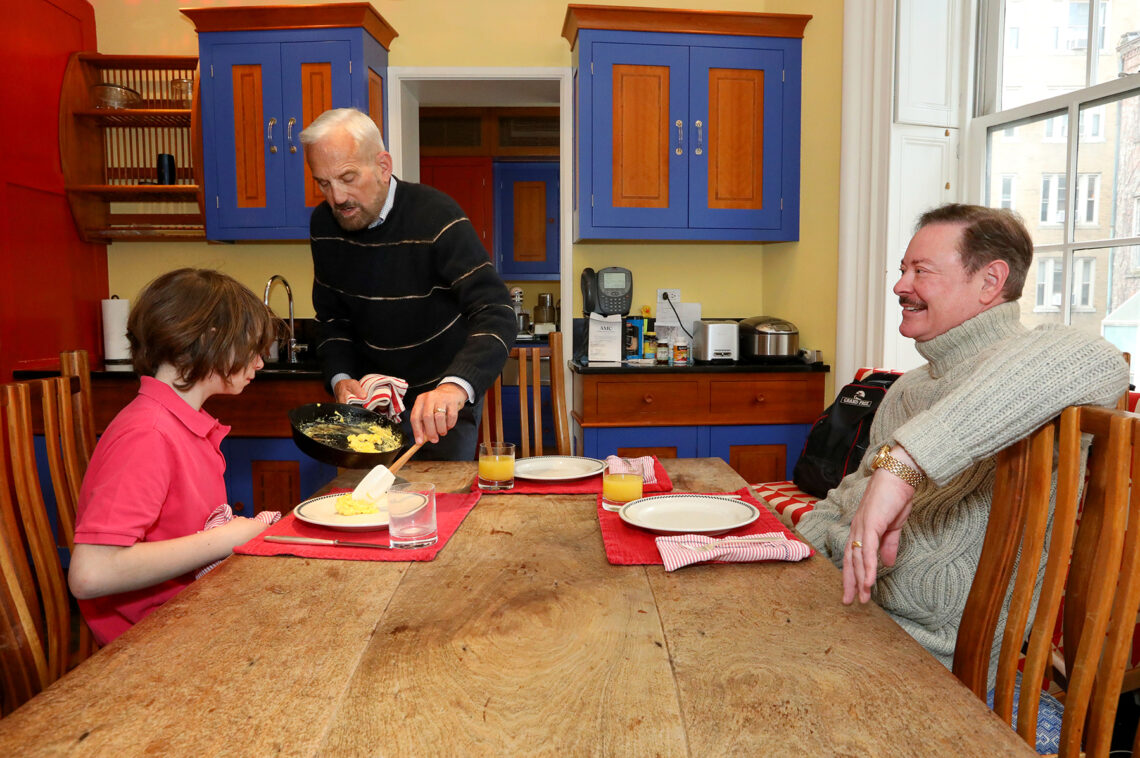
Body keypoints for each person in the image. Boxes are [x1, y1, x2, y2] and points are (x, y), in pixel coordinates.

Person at [795, 203, 1129, 676]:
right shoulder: (910, 386)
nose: (899, 286)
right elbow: (844, 502)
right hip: (840, 608)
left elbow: (1100, 359)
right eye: (902, 270)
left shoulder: (1036, 376)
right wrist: (791, 552)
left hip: (922, 658)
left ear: (991, 282)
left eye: (921, 271)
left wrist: (906, 464)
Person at [68, 268, 277, 645]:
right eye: (251, 347)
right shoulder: (148, 434)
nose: (260, 363)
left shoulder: (182, 424)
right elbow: (91, 573)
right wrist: (226, 539)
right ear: (210, 339)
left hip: (188, 614)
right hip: (151, 640)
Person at [299, 108, 515, 461]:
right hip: (370, 409)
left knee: (440, 506)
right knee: (366, 509)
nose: (337, 197)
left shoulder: (437, 217)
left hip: (439, 405)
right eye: (323, 183)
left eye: (348, 177)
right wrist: (341, 378)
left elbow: (497, 312)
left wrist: (453, 386)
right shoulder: (324, 226)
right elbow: (332, 320)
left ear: (383, 166)